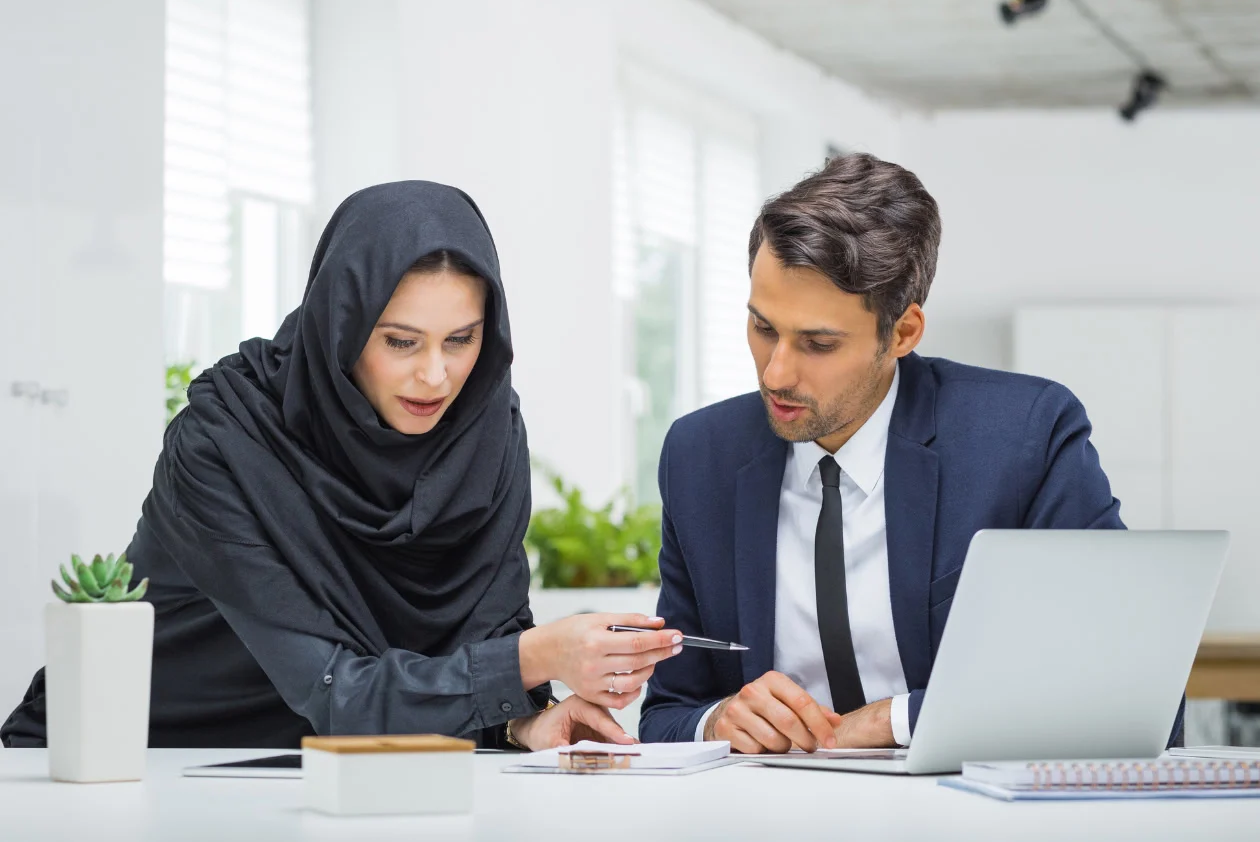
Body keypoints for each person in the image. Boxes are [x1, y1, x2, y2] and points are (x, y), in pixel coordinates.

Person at [3, 181, 681, 751]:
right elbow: (333, 690)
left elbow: (486, 642)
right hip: (129, 770)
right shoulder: (225, 443)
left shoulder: (486, 433)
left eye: (461, 340)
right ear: (340, 326)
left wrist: (526, 724)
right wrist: (535, 657)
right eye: (400, 341)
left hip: (339, 780)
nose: (435, 376)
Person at [638, 152, 1183, 752]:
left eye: (818, 343)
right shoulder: (699, 457)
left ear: (903, 333)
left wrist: (895, 721)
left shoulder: (1023, 437)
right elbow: (668, 714)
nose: (776, 372)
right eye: (763, 327)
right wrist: (717, 721)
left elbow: (1121, 676)